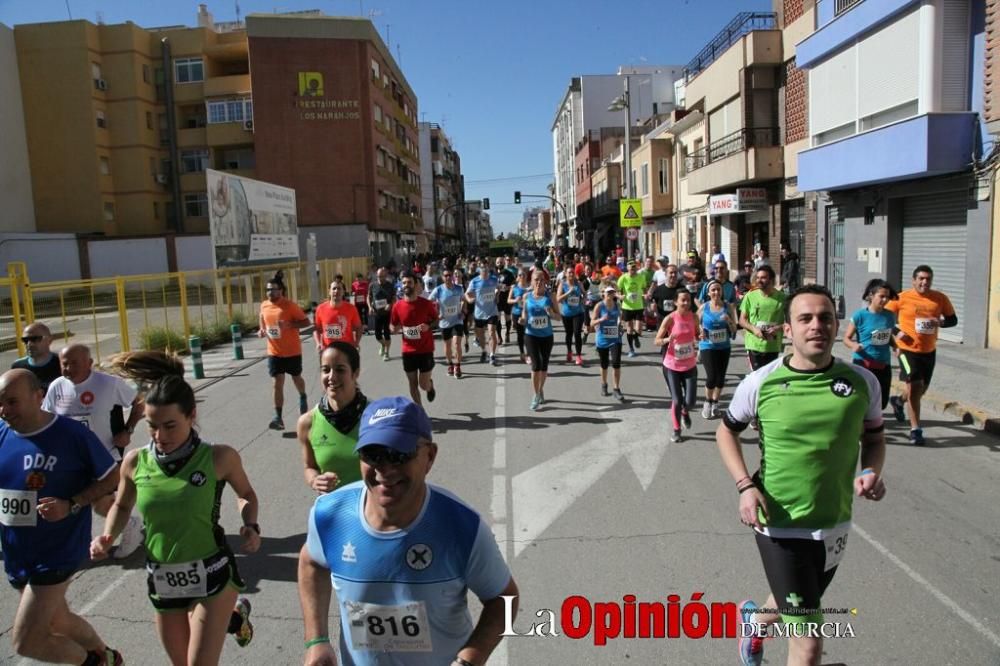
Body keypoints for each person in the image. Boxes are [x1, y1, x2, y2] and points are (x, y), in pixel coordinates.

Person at [716, 284, 886, 666]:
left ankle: (753, 622)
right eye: (805, 318)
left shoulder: (862, 382)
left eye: (825, 317)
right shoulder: (762, 382)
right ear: (787, 330)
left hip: (834, 522)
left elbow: (874, 438)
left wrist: (872, 470)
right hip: (779, 525)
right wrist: (745, 486)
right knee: (808, 646)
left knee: (798, 596)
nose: (817, 326)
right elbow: (726, 431)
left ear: (836, 323)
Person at [297, 396, 518, 666]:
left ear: (429, 456)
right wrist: (316, 641)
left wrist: (470, 660)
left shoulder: (462, 527)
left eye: (399, 455)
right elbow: (311, 562)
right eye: (372, 454)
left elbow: (504, 599)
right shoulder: (329, 515)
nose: (384, 470)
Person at [93, 351, 260, 664]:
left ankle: (229, 612)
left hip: (212, 574)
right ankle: (236, 620)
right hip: (163, 578)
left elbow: (247, 494)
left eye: (170, 426)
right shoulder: (135, 462)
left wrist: (250, 525)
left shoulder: (218, 458)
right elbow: (122, 505)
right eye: (152, 426)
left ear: (191, 416)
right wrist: (106, 535)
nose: (160, 436)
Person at [0, 369, 124, 666]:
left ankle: (92, 664)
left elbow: (111, 477)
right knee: (58, 620)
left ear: (38, 397)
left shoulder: (71, 434)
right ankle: (105, 655)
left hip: (57, 550)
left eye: (12, 402)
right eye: (0, 402)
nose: (4, 410)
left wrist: (71, 504)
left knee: (27, 641)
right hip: (17, 551)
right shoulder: (2, 434)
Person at [43, 343, 145, 558]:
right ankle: (126, 525)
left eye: (74, 363)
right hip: (71, 457)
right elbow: (47, 418)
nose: (68, 368)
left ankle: (129, 526)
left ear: (89, 363)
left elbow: (140, 403)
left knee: (97, 501)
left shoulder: (108, 384)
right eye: (64, 364)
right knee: (87, 502)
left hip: (104, 454)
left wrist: (128, 429)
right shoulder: (57, 387)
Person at [885, 265, 958, 446]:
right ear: (914, 280)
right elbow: (882, 317)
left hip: (929, 351)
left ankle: (898, 401)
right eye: (921, 279)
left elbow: (953, 320)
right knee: (916, 386)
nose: (925, 282)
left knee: (920, 390)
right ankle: (915, 430)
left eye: (928, 279)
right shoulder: (902, 297)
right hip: (906, 350)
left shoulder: (939, 298)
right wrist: (897, 332)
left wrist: (940, 322)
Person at [297, 342, 367, 494]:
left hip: (373, 511)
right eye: (325, 370)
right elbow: (309, 467)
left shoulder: (375, 415)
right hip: (334, 511)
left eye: (340, 370)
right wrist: (315, 480)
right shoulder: (307, 422)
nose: (332, 377)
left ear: (355, 373)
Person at [259, 272, 311, 430]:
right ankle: (278, 417)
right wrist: (261, 330)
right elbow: (262, 318)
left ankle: (302, 396)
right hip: (274, 352)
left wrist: (290, 326)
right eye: (268, 290)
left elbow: (306, 322)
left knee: (296, 379)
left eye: (273, 289)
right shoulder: (264, 305)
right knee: (277, 383)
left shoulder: (290, 306)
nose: (270, 293)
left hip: (292, 351)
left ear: (280, 290)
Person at [842, 279, 899, 412]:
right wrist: (853, 345)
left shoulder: (889, 316)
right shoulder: (860, 315)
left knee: (882, 402)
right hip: (864, 362)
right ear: (871, 295)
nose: (885, 300)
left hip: (883, 363)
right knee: (863, 397)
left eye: (887, 297)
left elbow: (887, 335)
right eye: (882, 296)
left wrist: (895, 346)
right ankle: (865, 424)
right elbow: (846, 338)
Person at [655, 290, 700, 442]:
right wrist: (668, 339)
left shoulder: (694, 317)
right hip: (672, 365)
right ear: (676, 302)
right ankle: (676, 430)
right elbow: (657, 340)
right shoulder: (670, 319)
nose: (686, 303)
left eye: (688, 300)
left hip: (690, 364)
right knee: (677, 400)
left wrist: (701, 337)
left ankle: (685, 412)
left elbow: (698, 334)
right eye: (683, 300)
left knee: (691, 402)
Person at [390, 271, 438, 407]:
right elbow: (392, 325)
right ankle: (420, 411)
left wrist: (428, 325)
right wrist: (393, 329)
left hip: (425, 349)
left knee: (423, 384)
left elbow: (436, 319)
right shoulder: (397, 306)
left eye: (409, 282)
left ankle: (430, 386)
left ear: (416, 284)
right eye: (404, 283)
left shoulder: (426, 304)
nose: (406, 285)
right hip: (408, 350)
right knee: (412, 383)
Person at [519, 271, 561, 411]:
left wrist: (551, 314)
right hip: (531, 335)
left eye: (541, 280)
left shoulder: (551, 297)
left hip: (547, 336)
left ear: (545, 282)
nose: (539, 282)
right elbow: (524, 315)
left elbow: (559, 317)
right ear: (531, 282)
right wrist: (523, 320)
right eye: (536, 280)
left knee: (544, 367)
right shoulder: (526, 296)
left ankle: (540, 389)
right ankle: (536, 395)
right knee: (536, 365)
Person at [698, 280, 739, 419]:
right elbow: (696, 324)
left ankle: (715, 402)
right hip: (707, 346)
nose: (716, 292)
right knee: (711, 377)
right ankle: (707, 402)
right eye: (713, 290)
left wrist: (729, 320)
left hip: (724, 346)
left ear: (722, 292)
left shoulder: (728, 307)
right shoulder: (704, 307)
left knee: (721, 378)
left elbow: (734, 329)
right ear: (709, 293)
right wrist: (700, 331)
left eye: (718, 290)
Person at [739, 265, 787, 371]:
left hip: (773, 346)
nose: (759, 280)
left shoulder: (782, 298)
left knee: (768, 379)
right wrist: (754, 329)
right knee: (757, 377)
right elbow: (742, 320)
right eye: (758, 277)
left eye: (763, 278)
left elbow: (791, 322)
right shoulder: (750, 296)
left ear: (771, 280)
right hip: (754, 345)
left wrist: (778, 328)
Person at [429, 268, 466, 378]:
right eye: (446, 275)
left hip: (457, 320)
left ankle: (458, 366)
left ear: (453, 276)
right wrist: (436, 315)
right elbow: (429, 302)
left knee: (457, 343)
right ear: (442, 277)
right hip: (444, 322)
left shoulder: (459, 288)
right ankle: (450, 364)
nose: (448, 277)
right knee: (448, 345)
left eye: (450, 275)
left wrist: (463, 311)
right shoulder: (438, 290)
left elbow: (463, 299)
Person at [590, 286, 626, 401]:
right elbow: (591, 322)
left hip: (615, 338)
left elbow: (620, 318)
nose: (611, 294)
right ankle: (604, 384)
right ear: (604, 294)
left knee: (616, 363)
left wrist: (621, 325)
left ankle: (616, 388)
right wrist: (601, 320)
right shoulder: (599, 306)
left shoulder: (617, 305)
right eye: (608, 292)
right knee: (604, 364)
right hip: (602, 339)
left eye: (612, 292)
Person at [465, 264, 501, 366]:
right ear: (480, 272)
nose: (485, 272)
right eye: (483, 271)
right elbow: (467, 294)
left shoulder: (494, 279)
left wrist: (497, 296)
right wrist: (470, 300)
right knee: (481, 336)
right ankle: (484, 351)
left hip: (492, 311)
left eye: (487, 271)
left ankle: (492, 355)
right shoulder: (475, 281)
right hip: (479, 313)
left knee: (492, 332)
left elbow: (498, 288)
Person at [12, 321, 61, 392]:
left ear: (50, 340)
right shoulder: (18, 367)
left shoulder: (62, 364)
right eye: (25, 340)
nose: (29, 344)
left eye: (35, 339)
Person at [313, 281, 363, 350]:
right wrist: (318, 343)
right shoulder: (320, 308)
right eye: (334, 288)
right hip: (328, 350)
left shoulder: (351, 308)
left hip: (346, 349)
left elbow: (359, 327)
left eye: (339, 288)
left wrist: (356, 342)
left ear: (343, 292)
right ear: (329, 292)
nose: (336, 291)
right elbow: (317, 329)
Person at [617, 261, 649, 358]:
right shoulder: (623, 278)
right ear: (627, 269)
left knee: (639, 329)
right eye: (630, 269)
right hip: (627, 306)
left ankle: (636, 337)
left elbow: (644, 288)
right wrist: (620, 296)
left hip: (638, 305)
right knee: (630, 329)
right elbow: (617, 290)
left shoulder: (641, 277)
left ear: (636, 269)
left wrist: (645, 295)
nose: (632, 271)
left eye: (634, 269)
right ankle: (631, 349)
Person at [556, 269, 586, 366]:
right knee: (569, 334)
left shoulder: (579, 284)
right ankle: (569, 351)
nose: (571, 274)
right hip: (567, 314)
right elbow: (558, 299)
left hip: (578, 313)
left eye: (573, 272)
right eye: (569, 272)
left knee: (577, 333)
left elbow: (585, 294)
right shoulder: (562, 284)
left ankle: (578, 356)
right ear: (566, 274)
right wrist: (568, 292)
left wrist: (583, 300)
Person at [368, 268, 397, 361]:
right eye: (380, 276)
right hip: (377, 313)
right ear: (377, 276)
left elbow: (394, 298)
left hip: (387, 313)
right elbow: (368, 297)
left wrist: (390, 304)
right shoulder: (373, 285)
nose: (382, 278)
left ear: (386, 276)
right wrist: (370, 307)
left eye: (384, 276)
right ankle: (383, 344)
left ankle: (387, 353)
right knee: (377, 335)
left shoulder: (390, 285)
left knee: (387, 333)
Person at [649, 264, 682, 329]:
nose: (673, 275)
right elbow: (652, 303)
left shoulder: (682, 290)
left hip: (678, 323)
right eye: (671, 273)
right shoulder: (658, 289)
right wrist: (652, 307)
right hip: (662, 323)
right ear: (666, 274)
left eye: (675, 273)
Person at [508, 269, 531, 364]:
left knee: (528, 334)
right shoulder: (514, 288)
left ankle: (529, 354)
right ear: (518, 277)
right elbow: (508, 300)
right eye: (520, 275)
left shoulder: (530, 287)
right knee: (520, 335)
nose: (522, 276)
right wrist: (515, 300)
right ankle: (522, 353)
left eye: (524, 274)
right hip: (517, 313)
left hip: (529, 313)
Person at [496, 257, 517, 345]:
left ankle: (507, 333)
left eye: (501, 262)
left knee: (507, 317)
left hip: (506, 298)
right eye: (498, 262)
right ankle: (500, 337)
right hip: (496, 299)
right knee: (497, 318)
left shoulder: (509, 273)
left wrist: (507, 287)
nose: (499, 264)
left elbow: (514, 285)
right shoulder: (492, 274)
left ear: (504, 263)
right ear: (496, 263)